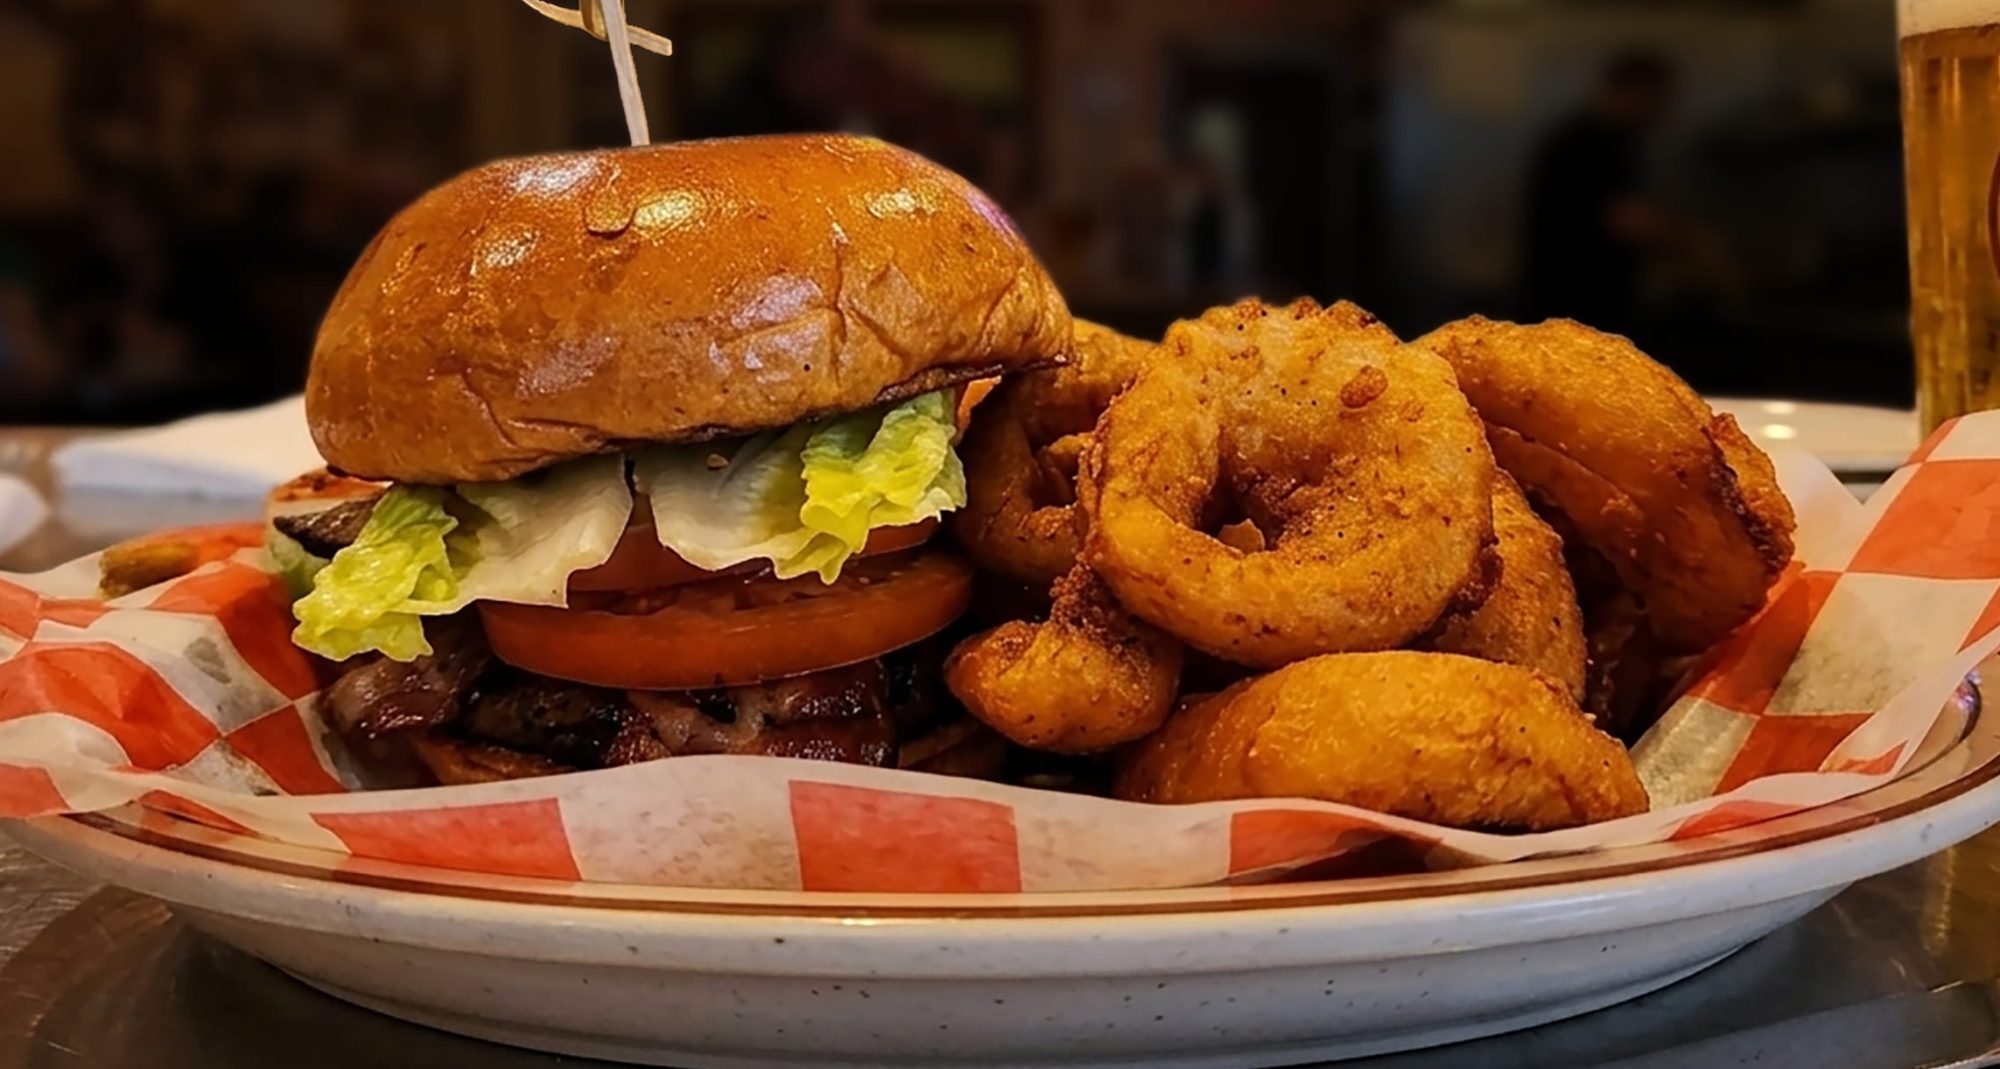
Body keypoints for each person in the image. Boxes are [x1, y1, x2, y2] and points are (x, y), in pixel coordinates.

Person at [1524, 49, 1678, 332]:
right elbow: (1629, 221)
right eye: (1658, 101)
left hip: (1573, 300)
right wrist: (1695, 247)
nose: (1661, 113)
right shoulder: (1591, 143)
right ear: (1635, 93)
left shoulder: (1594, 138)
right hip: (1575, 301)